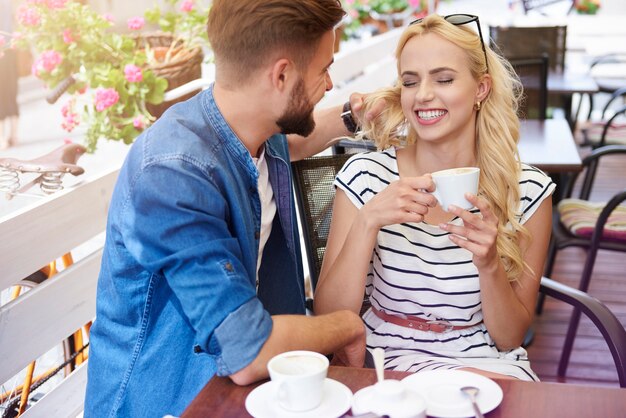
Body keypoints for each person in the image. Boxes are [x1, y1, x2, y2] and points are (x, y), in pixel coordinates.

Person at [85, 1, 369, 416]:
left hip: (246, 390)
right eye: (324, 68)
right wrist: (347, 324)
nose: (329, 84)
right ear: (282, 75)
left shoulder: (248, 120)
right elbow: (248, 351)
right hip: (174, 399)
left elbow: (288, 146)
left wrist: (352, 116)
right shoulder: (171, 173)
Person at [314, 14, 555, 381]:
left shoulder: (527, 190)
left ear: (481, 89)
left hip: (485, 366)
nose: (423, 94)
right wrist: (368, 221)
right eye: (410, 82)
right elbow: (328, 318)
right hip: (385, 365)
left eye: (443, 79)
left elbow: (509, 338)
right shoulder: (366, 176)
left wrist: (489, 264)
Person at [0, 0, 19, 150]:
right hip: (10, 50)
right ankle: (13, 134)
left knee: (4, 94)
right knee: (11, 93)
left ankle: (4, 137)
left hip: (5, 50)